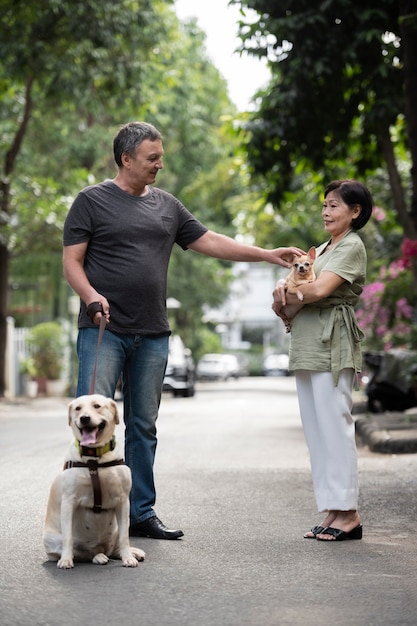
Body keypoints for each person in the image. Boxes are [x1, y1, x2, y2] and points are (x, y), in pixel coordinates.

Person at [63, 121, 303, 540]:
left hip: (153, 333)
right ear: (126, 158)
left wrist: (266, 254)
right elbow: (72, 263)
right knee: (92, 424)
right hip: (104, 329)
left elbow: (212, 241)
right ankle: (89, 517)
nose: (160, 164)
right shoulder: (91, 201)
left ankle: (139, 514)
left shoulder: (167, 206)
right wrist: (90, 297)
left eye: (160, 156)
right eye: (152, 157)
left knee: (143, 426)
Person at [272, 179, 373, 542]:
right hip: (307, 342)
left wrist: (288, 293)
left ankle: (350, 514)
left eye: (334, 205)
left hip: (333, 344)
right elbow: (289, 299)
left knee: (335, 426)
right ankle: (333, 509)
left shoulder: (351, 245)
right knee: (316, 432)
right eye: (325, 205)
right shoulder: (325, 249)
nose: (326, 211)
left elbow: (315, 290)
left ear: (355, 211)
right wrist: (286, 298)